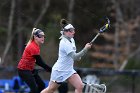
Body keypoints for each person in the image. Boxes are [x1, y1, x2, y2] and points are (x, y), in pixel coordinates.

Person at [41, 19, 92, 93]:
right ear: (65, 32)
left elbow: (75, 56)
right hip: (59, 71)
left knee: (80, 86)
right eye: (71, 30)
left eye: (73, 30)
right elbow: (74, 56)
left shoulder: (72, 40)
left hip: (69, 70)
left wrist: (79, 56)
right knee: (51, 89)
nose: (73, 32)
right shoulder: (64, 42)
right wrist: (85, 49)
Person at [17, 28, 52, 93]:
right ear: (35, 37)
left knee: (42, 85)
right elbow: (39, 62)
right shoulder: (33, 46)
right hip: (23, 70)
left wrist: (49, 69)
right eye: (41, 36)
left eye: (44, 36)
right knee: (34, 90)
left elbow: (37, 61)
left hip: (30, 69)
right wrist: (51, 69)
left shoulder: (35, 45)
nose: (43, 38)